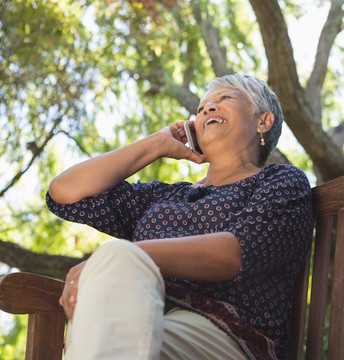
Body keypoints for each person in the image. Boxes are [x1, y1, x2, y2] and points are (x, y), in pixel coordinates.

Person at [46, 74, 314, 360]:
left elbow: (236, 253)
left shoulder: (281, 181)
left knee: (111, 272)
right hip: (138, 316)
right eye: (201, 109)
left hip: (225, 334)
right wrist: (158, 144)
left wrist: (127, 256)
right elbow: (65, 193)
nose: (208, 109)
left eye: (225, 99)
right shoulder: (165, 197)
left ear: (263, 121)